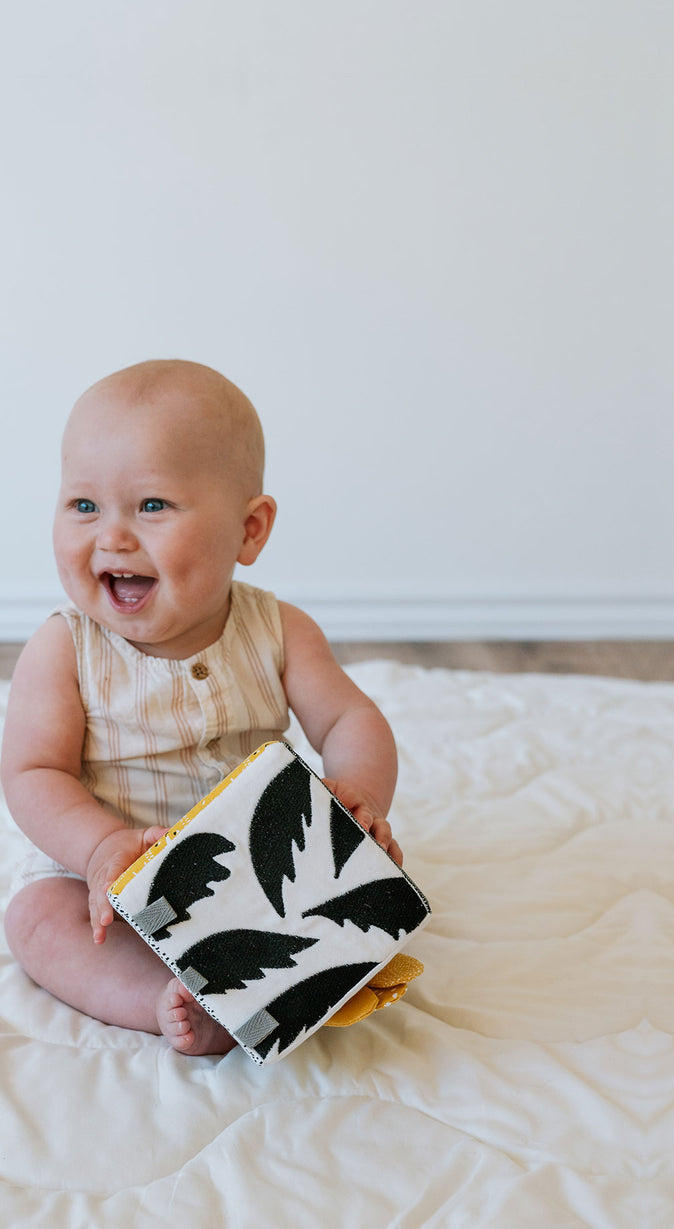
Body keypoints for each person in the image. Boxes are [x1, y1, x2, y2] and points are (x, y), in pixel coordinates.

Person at [1, 359, 400, 1055]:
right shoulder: (64, 648)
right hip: (109, 877)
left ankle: (274, 970)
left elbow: (349, 720)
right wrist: (98, 849)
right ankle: (161, 997)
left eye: (152, 505)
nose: (112, 536)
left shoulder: (278, 630)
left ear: (249, 530)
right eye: (83, 505)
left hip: (257, 865)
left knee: (359, 892)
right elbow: (33, 772)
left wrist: (358, 798)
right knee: (37, 919)